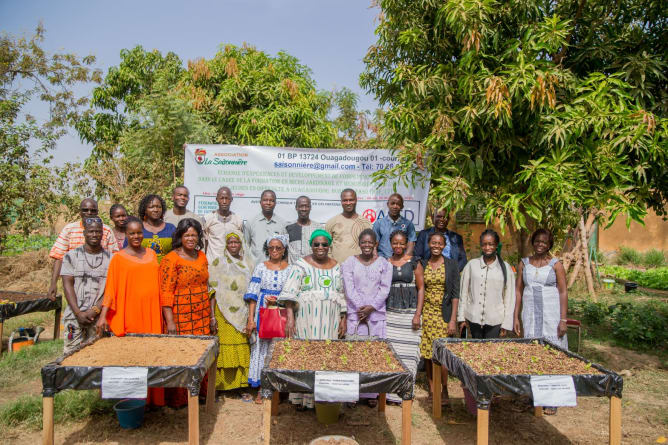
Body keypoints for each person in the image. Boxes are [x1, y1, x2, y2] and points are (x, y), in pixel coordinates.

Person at [96, 216, 164, 406]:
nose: (136, 236)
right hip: (130, 314)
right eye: (132, 233)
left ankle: (153, 400)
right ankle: (133, 401)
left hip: (151, 314)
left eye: (139, 232)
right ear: (125, 235)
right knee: (133, 357)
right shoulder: (118, 258)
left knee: (152, 354)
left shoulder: (151, 253)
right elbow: (110, 290)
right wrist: (103, 316)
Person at [279, 229, 347, 410]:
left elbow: (341, 293)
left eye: (324, 244)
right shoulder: (300, 265)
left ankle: (324, 400)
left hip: (330, 320)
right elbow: (290, 292)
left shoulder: (337, 266)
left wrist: (343, 318)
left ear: (329, 245)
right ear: (311, 245)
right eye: (316, 244)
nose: (320, 247)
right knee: (305, 356)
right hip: (306, 320)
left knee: (327, 356)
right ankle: (303, 398)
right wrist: (290, 318)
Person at [159, 218, 215, 407]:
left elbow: (207, 285)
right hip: (181, 316)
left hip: (201, 314)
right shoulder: (171, 259)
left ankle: (199, 393)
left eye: (194, 235)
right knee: (182, 355)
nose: (191, 238)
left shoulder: (202, 256)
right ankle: (179, 399)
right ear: (180, 237)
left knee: (201, 354)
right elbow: (165, 292)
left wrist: (211, 317)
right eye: (187, 235)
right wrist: (170, 322)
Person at [514, 228, 568, 416]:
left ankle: (552, 398)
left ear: (549, 244)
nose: (540, 244)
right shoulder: (524, 263)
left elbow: (563, 292)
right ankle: (534, 396)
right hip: (530, 315)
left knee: (552, 353)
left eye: (544, 242)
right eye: (537, 241)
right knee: (532, 353)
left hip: (551, 316)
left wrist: (563, 319)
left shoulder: (556, 265)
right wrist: (515, 316)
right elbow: (518, 291)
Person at [341, 228, 392, 407]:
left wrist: (371, 308)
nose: (367, 245)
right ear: (359, 244)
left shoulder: (385, 264)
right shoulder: (349, 263)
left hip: (376, 316)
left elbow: (385, 289)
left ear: (375, 244)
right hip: (356, 316)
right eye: (364, 242)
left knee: (374, 355)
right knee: (354, 354)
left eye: (371, 242)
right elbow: (349, 288)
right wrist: (360, 308)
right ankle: (353, 393)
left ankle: (372, 393)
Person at [244, 235, 291, 403]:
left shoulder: (290, 269)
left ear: (284, 249)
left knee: (278, 349)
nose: (275, 251)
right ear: (267, 249)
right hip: (262, 312)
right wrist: (251, 319)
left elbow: (292, 294)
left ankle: (276, 389)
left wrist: (278, 301)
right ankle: (262, 388)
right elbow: (252, 295)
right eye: (271, 248)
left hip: (282, 312)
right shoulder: (260, 268)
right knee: (261, 348)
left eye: (278, 248)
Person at [208, 230, 252, 395]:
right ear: (226, 245)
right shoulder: (218, 263)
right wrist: (212, 316)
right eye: (230, 243)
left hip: (242, 313)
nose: (233, 245)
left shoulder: (248, 263)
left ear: (241, 244)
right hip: (223, 313)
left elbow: (252, 290)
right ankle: (219, 387)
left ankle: (241, 386)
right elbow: (212, 291)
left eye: (237, 242)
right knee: (223, 349)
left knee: (241, 348)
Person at [48, 198, 118, 300]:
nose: (89, 213)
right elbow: (59, 257)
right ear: (80, 212)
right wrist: (53, 283)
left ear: (97, 212)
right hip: (75, 282)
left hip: (100, 283)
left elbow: (114, 259)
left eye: (93, 210)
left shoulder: (106, 230)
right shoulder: (69, 229)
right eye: (85, 210)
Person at [419, 232, 460, 406]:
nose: (436, 246)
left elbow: (455, 295)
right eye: (433, 243)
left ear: (444, 246)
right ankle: (432, 389)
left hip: (443, 315)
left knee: (442, 355)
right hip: (427, 314)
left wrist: (452, 320)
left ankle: (444, 390)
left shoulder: (451, 265)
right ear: (429, 244)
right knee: (428, 355)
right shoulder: (422, 264)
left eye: (440, 243)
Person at [60, 217, 112, 354]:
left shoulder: (112, 259)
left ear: (103, 234)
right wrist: (78, 313)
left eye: (98, 232)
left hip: (98, 317)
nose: (94, 235)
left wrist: (95, 310)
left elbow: (111, 289)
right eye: (91, 231)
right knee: (70, 356)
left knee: (97, 356)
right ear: (84, 233)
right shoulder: (71, 256)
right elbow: (67, 285)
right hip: (74, 315)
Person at [385, 230, 424, 404]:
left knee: (408, 354)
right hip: (391, 314)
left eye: (402, 243)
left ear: (407, 243)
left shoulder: (414, 262)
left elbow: (421, 288)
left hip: (410, 314)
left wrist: (417, 314)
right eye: (395, 243)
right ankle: (391, 394)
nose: (398, 246)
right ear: (390, 243)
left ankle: (406, 392)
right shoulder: (386, 263)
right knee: (393, 354)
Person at [458, 229, 515, 339]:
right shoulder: (471, 265)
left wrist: (506, 323)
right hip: (473, 318)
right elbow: (463, 293)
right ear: (480, 245)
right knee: (474, 350)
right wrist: (461, 317)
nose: (487, 248)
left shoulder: (506, 268)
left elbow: (509, 297)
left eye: (491, 244)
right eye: (484, 244)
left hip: (496, 319)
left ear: (497, 245)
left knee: (490, 352)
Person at [325, 189, 372, 264]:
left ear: (356, 200)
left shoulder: (365, 223)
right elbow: (326, 246)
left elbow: (371, 246)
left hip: (360, 268)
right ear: (341, 201)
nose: (348, 203)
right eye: (345, 200)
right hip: (337, 268)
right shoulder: (332, 222)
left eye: (351, 200)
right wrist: (332, 263)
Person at [243, 190, 287, 265]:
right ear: (260, 202)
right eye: (265, 200)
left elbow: (285, 249)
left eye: (271, 200)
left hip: (276, 269)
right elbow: (245, 248)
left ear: (275, 203)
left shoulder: (282, 224)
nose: (268, 203)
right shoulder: (251, 222)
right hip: (255, 269)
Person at [129, 194, 177, 263]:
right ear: (145, 210)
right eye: (151, 207)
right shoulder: (137, 228)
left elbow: (179, 251)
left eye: (159, 207)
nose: (156, 210)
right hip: (143, 270)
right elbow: (128, 252)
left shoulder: (171, 228)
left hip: (167, 271)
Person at [203, 186, 243, 263]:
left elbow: (241, 245)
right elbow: (205, 243)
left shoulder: (238, 220)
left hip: (231, 265)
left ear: (231, 199)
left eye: (227, 198)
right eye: (222, 198)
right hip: (213, 265)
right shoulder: (208, 219)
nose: (224, 201)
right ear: (217, 199)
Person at [373, 193, 417, 258]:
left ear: (402, 206)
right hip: (383, 260)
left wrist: (405, 260)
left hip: (401, 261)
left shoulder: (408, 224)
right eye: (392, 203)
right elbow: (374, 245)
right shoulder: (379, 224)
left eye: (398, 204)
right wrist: (376, 259)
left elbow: (411, 244)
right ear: (388, 204)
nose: (395, 206)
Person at [285, 196, 323, 264]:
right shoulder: (288, 227)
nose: (304, 209)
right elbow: (283, 251)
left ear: (310, 208)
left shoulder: (318, 228)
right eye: (301, 206)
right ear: (296, 208)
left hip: (312, 270)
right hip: (293, 270)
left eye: (307, 206)